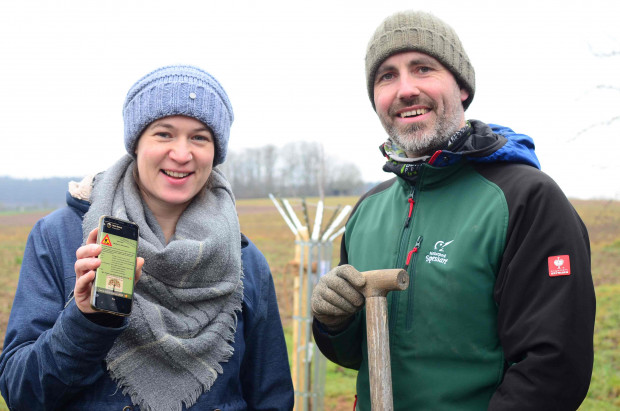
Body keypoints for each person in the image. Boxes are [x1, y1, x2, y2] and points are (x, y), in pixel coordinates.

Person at [311, 10, 595, 411]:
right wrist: (334, 323)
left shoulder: (525, 200)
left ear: (462, 86)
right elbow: (358, 357)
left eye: (423, 68)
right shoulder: (366, 212)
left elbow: (552, 371)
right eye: (386, 76)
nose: (405, 89)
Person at [0, 65, 294, 410]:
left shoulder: (243, 260)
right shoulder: (59, 238)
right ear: (136, 143)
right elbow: (22, 393)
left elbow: (271, 398)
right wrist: (86, 320)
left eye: (199, 137)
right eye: (164, 134)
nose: (182, 154)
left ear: (216, 151)